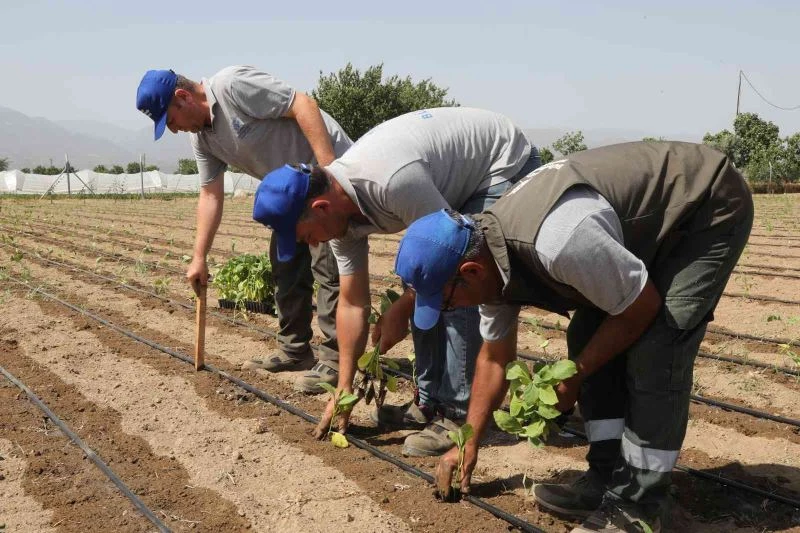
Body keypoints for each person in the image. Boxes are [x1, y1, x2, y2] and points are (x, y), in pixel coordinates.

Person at [393, 141, 753, 533]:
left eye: (446, 302)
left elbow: (641, 308)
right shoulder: (488, 260)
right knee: (587, 334)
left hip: (703, 207)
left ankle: (641, 505)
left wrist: (575, 376)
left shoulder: (559, 241)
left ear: (471, 272)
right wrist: (468, 442)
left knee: (657, 348)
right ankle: (605, 478)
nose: (448, 310)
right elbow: (493, 359)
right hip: (635, 229)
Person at [251, 107, 541, 456]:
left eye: (305, 235)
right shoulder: (338, 220)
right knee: (422, 285)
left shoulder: (392, 182)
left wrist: (402, 309)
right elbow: (352, 303)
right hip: (445, 178)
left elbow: (446, 259)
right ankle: (429, 402)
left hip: (498, 162)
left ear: (322, 207)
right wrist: (343, 388)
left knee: (456, 286)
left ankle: (458, 415)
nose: (311, 244)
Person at [135, 66, 352, 392]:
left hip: (324, 179)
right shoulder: (202, 139)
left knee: (329, 270)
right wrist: (199, 256)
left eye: (171, 120)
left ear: (183, 97)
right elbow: (210, 194)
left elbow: (303, 105)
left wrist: (330, 175)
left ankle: (337, 361)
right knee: (285, 266)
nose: (175, 130)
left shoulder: (232, 86)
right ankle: (295, 350)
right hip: (289, 194)